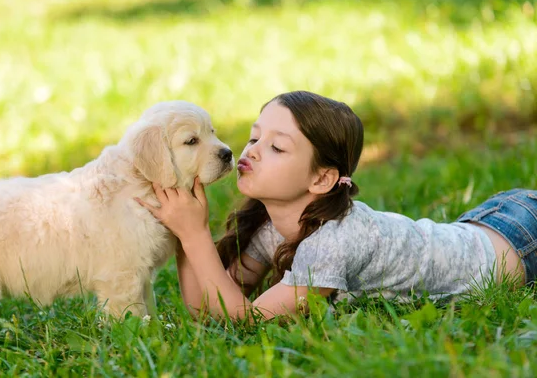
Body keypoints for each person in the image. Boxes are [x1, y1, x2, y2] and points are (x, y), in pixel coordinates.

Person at [136, 90, 536, 321]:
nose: (253, 151)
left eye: (276, 147)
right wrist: (184, 235)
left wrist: (195, 234)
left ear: (321, 179)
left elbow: (250, 320)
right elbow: (207, 309)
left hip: (519, 244)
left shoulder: (334, 241)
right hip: (487, 223)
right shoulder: (271, 229)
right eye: (255, 138)